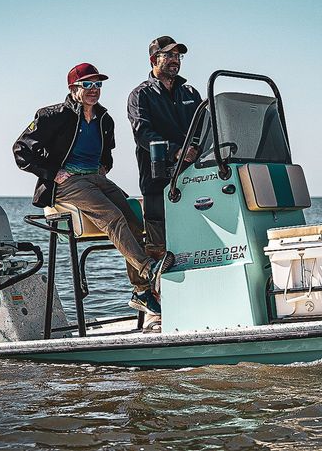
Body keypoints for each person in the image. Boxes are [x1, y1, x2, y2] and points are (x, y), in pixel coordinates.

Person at [13, 62, 173, 329]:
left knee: (135, 220)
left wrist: (104, 168)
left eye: (98, 84)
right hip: (66, 183)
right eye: (87, 84)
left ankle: (142, 293)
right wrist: (52, 173)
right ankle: (147, 269)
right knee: (111, 216)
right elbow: (21, 150)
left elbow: (106, 152)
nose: (94, 90)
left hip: (95, 178)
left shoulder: (104, 119)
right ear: (73, 88)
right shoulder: (52, 115)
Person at [127, 36, 202, 256]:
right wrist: (176, 151)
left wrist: (196, 148)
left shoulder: (190, 93)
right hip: (157, 182)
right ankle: (154, 290)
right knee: (159, 247)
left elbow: (204, 126)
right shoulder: (140, 95)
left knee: (193, 240)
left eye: (178, 56)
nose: (175, 60)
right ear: (153, 59)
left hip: (193, 179)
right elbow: (143, 133)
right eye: (168, 55)